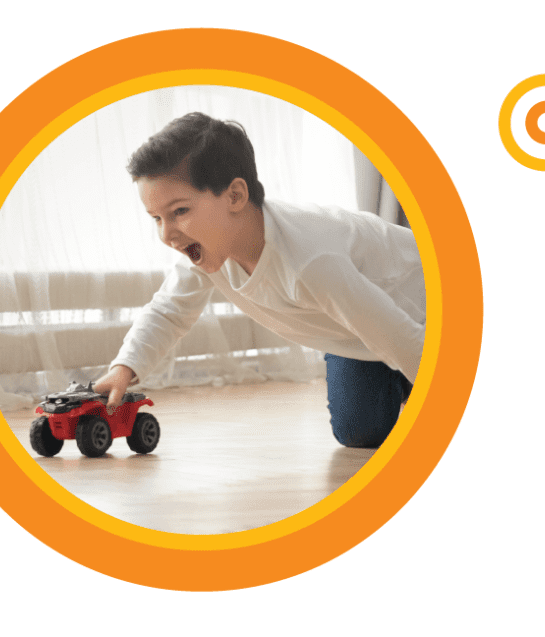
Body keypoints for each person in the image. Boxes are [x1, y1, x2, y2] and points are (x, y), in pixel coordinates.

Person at [93, 112, 424, 448]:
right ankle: (399, 380)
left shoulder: (311, 261)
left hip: (422, 313)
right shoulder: (208, 251)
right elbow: (168, 311)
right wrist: (124, 369)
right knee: (359, 432)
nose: (167, 235)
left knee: (407, 356)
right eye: (156, 219)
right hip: (355, 330)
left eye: (180, 212)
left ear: (235, 196)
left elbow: (397, 334)